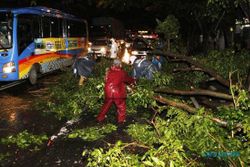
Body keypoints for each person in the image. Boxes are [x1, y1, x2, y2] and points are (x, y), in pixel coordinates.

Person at [97, 59, 135, 123]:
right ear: (120, 65)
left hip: (108, 91)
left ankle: (100, 118)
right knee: (121, 106)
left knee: (106, 105)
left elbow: (106, 80)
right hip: (117, 93)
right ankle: (121, 120)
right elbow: (128, 80)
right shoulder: (122, 73)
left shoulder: (108, 71)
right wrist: (134, 81)